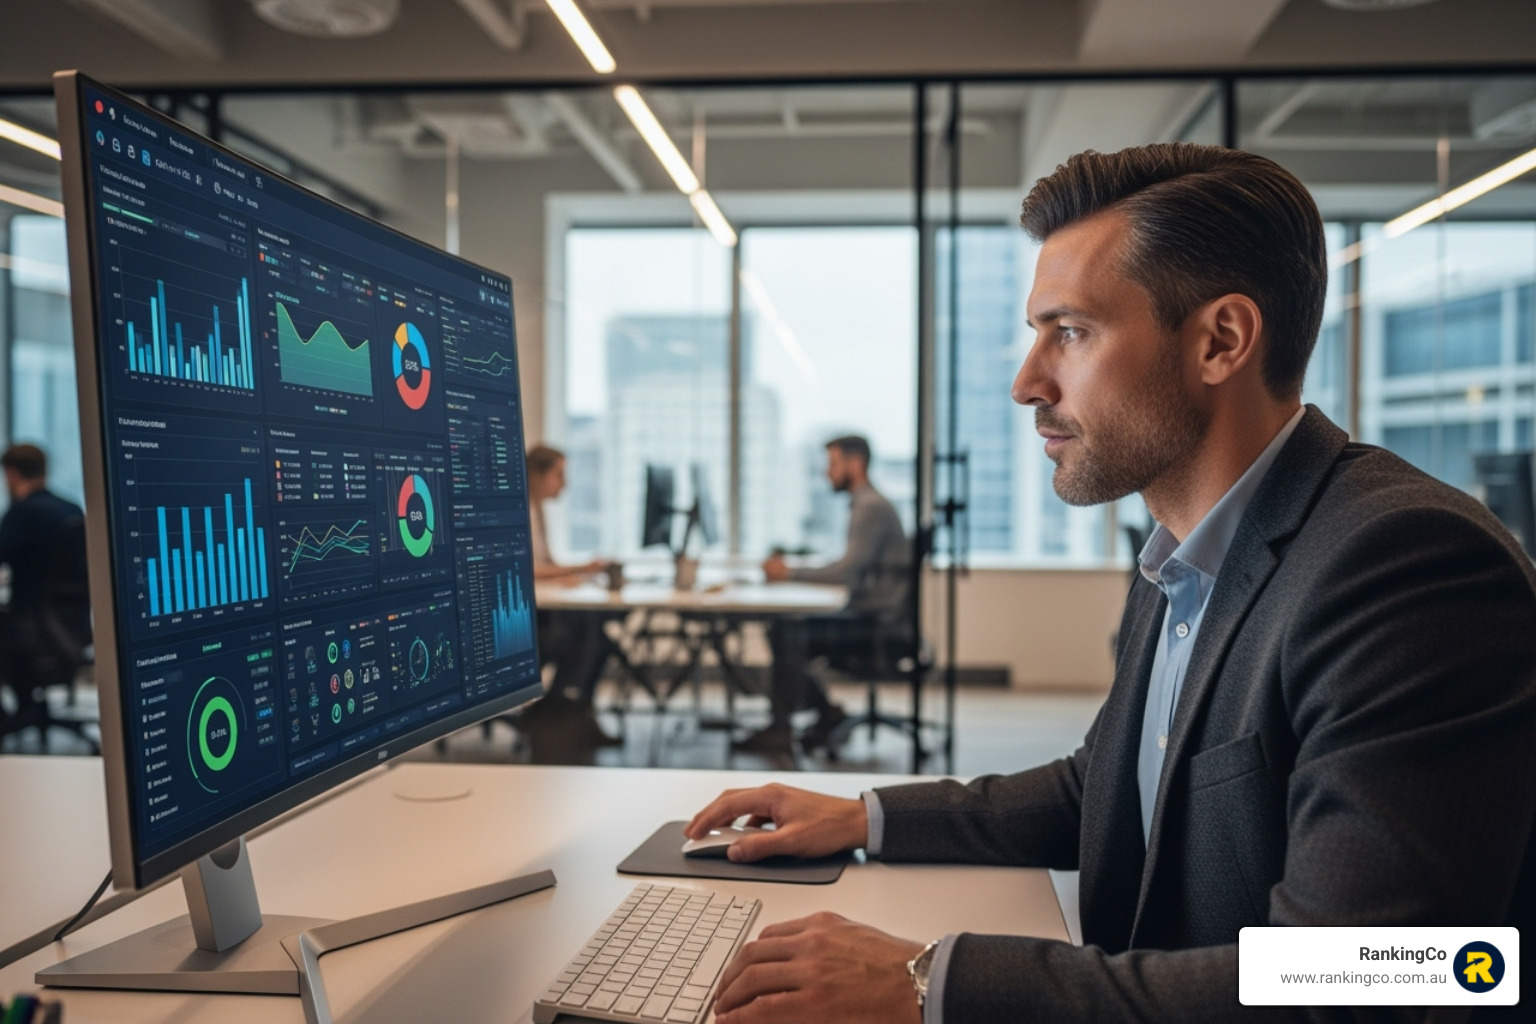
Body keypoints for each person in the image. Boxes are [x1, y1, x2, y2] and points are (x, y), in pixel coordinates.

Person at [686, 143, 1536, 1023]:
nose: (1027, 383)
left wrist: (928, 983)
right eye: (1036, 333)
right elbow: (1105, 789)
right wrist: (862, 817)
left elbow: (1387, 975)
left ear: (1221, 340)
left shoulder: (1404, 565)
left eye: (1073, 332)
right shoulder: (1182, 549)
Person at [734, 435, 910, 756]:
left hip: (877, 627)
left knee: (787, 632)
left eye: (832, 465)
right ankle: (819, 714)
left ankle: (783, 728)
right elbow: (848, 565)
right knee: (786, 629)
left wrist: (788, 572)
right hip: (874, 617)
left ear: (855, 464)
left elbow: (845, 572)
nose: (826, 473)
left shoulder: (870, 507)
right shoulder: (868, 504)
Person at [519, 444, 622, 758]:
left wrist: (570, 576)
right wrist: (582, 568)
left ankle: (573, 713)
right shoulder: (519, 509)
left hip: (542, 610)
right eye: (559, 474)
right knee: (585, 635)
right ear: (536, 475)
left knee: (600, 639)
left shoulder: (537, 510)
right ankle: (557, 712)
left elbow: (545, 563)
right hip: (528, 624)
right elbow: (529, 569)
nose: (564, 484)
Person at [0, 444, 88, 739]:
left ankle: (17, 714)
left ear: (11, 474)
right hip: (72, 630)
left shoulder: (23, 512)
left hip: (30, 632)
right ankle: (26, 710)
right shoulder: (72, 507)